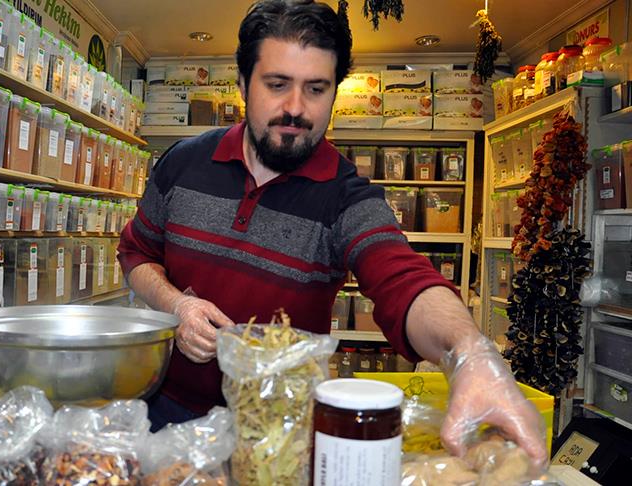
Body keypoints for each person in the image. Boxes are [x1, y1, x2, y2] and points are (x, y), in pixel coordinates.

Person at [118, 0, 547, 468]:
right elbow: (136, 253)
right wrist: (176, 305)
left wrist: (470, 352)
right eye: (277, 84)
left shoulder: (347, 197)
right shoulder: (182, 163)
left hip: (280, 437)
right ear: (243, 84)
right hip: (166, 417)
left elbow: (403, 279)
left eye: (316, 88)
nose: (295, 108)